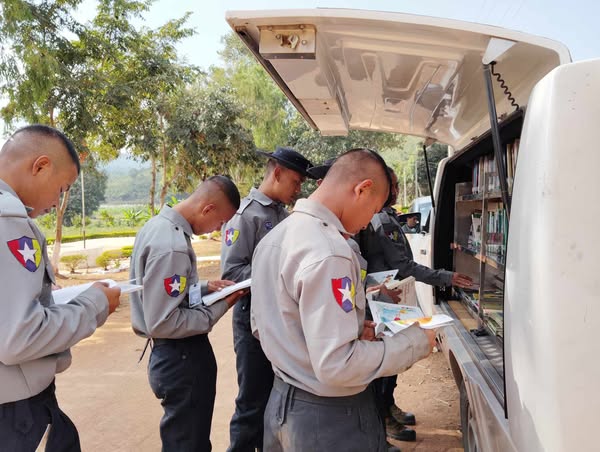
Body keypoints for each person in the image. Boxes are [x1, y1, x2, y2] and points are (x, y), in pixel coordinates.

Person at [252, 148, 437, 452]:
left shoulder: (276, 238)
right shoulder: (330, 250)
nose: (366, 223)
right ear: (362, 189)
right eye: (373, 209)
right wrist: (415, 341)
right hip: (329, 418)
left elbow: (265, 326)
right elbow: (337, 365)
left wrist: (350, 330)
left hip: (282, 404)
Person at [0, 124, 121, 451]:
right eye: (62, 188)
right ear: (40, 166)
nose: (57, 202)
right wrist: (95, 304)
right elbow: (19, 336)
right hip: (16, 413)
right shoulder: (9, 220)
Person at [129, 176, 247, 451]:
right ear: (208, 209)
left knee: (185, 440)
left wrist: (205, 286)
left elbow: (161, 288)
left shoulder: (157, 227)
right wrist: (221, 305)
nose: (218, 229)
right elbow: (164, 322)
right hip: (181, 356)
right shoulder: (173, 246)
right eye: (220, 222)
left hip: (172, 356)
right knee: (188, 443)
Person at [358, 167, 473, 443]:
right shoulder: (380, 220)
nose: (396, 190)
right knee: (386, 365)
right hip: (384, 302)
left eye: (396, 185)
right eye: (393, 185)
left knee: (392, 367)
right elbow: (404, 266)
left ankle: (388, 407)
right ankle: (383, 419)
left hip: (389, 298)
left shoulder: (386, 216)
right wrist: (446, 277)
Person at [221, 147, 315, 452]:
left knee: (274, 398)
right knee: (251, 401)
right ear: (276, 173)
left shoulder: (282, 214)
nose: (298, 189)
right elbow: (232, 273)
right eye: (296, 182)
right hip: (251, 320)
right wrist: (277, 270)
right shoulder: (246, 215)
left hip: (278, 319)